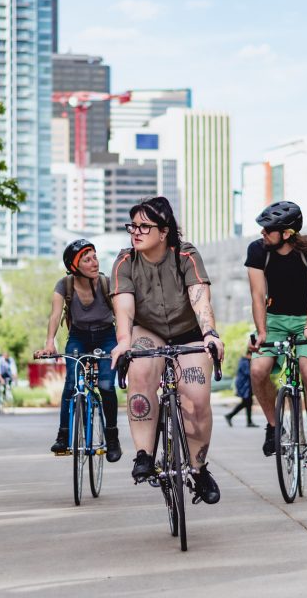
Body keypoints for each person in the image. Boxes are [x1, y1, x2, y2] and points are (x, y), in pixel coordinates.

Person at [109, 196, 225, 504]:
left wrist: (210, 334)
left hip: (188, 332)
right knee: (141, 372)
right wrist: (123, 342)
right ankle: (145, 455)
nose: (136, 231)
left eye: (144, 226)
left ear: (164, 231)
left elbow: (200, 298)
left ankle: (199, 471)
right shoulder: (124, 261)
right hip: (149, 330)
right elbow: (124, 308)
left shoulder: (186, 255)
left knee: (197, 401)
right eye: (132, 225)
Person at [246, 200, 307, 468]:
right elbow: (258, 296)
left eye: (268, 229)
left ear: (287, 233)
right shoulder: (258, 251)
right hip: (273, 320)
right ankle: (274, 426)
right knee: (258, 370)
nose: (262, 233)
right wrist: (261, 332)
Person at [35, 239, 122, 462]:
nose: (94, 262)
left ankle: (112, 437)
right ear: (74, 267)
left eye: (95, 257)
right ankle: (63, 435)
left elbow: (122, 313)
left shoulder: (106, 283)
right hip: (78, 337)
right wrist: (49, 342)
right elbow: (55, 315)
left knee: (105, 385)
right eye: (87, 259)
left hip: (106, 336)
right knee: (72, 384)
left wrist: (124, 342)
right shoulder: (64, 285)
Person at [225, 352, 257, 427]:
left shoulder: (246, 361)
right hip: (244, 386)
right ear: (249, 354)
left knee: (248, 402)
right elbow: (248, 373)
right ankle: (230, 416)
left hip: (246, 385)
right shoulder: (244, 362)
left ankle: (249, 422)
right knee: (246, 402)